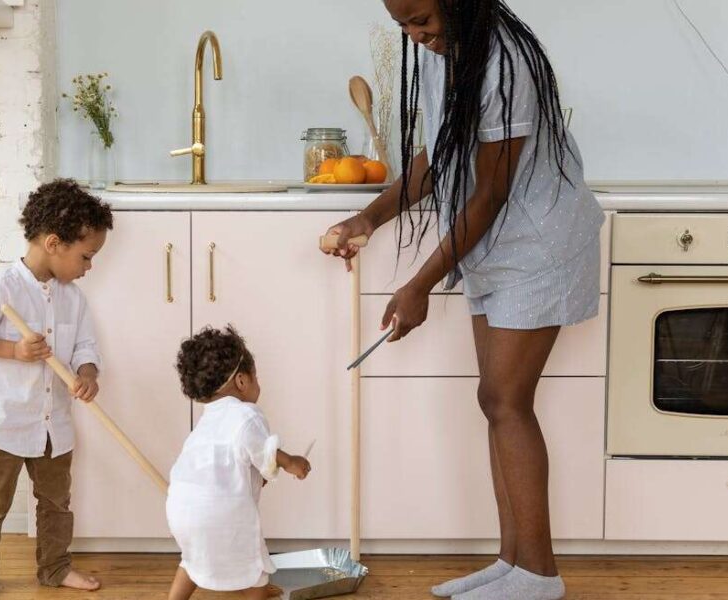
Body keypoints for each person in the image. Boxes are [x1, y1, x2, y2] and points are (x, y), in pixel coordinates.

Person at [322, 1, 604, 598]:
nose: (414, 35)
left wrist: (419, 284)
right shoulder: (444, 49)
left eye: (421, 19)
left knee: (506, 400)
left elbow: (492, 190)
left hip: (537, 241)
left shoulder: (504, 60)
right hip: (494, 245)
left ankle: (540, 575)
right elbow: (441, 153)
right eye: (402, 25)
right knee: (495, 400)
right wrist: (368, 217)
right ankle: (513, 563)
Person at [0, 178, 113, 600]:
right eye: (86, 256)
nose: (89, 266)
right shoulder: (1, 287)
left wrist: (88, 374)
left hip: (52, 422)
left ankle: (55, 567)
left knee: (56, 502)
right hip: (5, 420)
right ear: (54, 243)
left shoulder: (73, 298)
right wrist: (15, 349)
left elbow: (86, 346)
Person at [165, 325, 312, 600]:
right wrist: (291, 462)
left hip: (180, 510)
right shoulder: (246, 414)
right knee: (255, 571)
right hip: (220, 512)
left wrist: (259, 477)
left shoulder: (206, 422)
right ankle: (255, 589)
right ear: (242, 381)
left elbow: (233, 465)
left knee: (193, 560)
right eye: (256, 377)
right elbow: (263, 450)